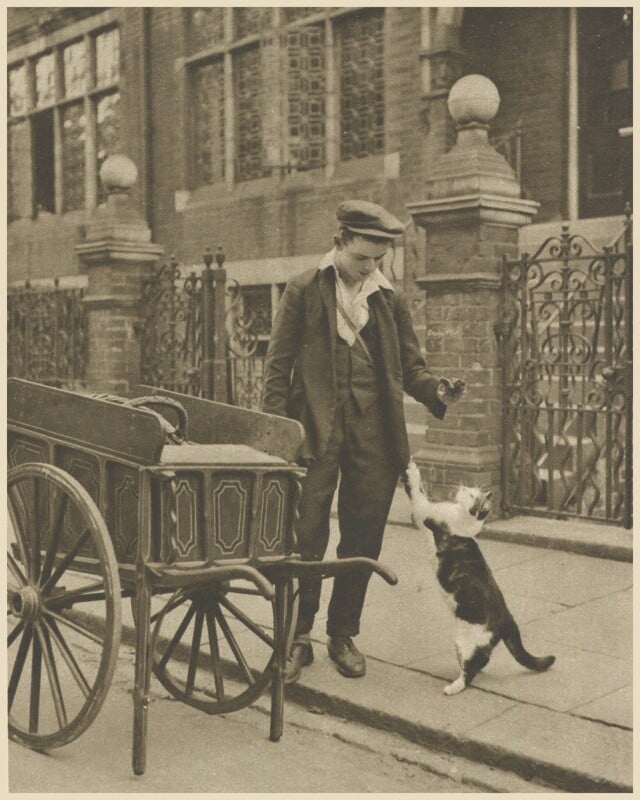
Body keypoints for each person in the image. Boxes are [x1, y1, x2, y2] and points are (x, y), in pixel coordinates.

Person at [261, 199, 464, 683]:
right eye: (361, 259)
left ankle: (342, 634)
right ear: (339, 243)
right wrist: (274, 434)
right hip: (313, 432)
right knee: (305, 535)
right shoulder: (304, 289)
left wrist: (436, 389)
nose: (369, 268)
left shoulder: (388, 300)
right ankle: (297, 637)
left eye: (377, 260)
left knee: (364, 536)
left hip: (373, 436)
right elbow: (276, 366)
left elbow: (410, 367)